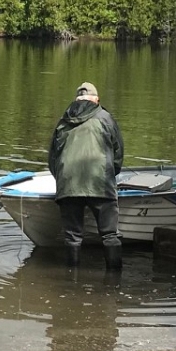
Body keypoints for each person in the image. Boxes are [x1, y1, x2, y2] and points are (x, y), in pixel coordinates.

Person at [47, 82, 124, 270]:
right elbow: (118, 154)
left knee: (72, 238)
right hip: (100, 183)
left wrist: (63, 181)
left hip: (69, 185)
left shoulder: (63, 120)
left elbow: (52, 158)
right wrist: (110, 175)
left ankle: (71, 281)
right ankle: (114, 281)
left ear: (77, 100)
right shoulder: (105, 118)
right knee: (109, 235)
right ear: (96, 100)